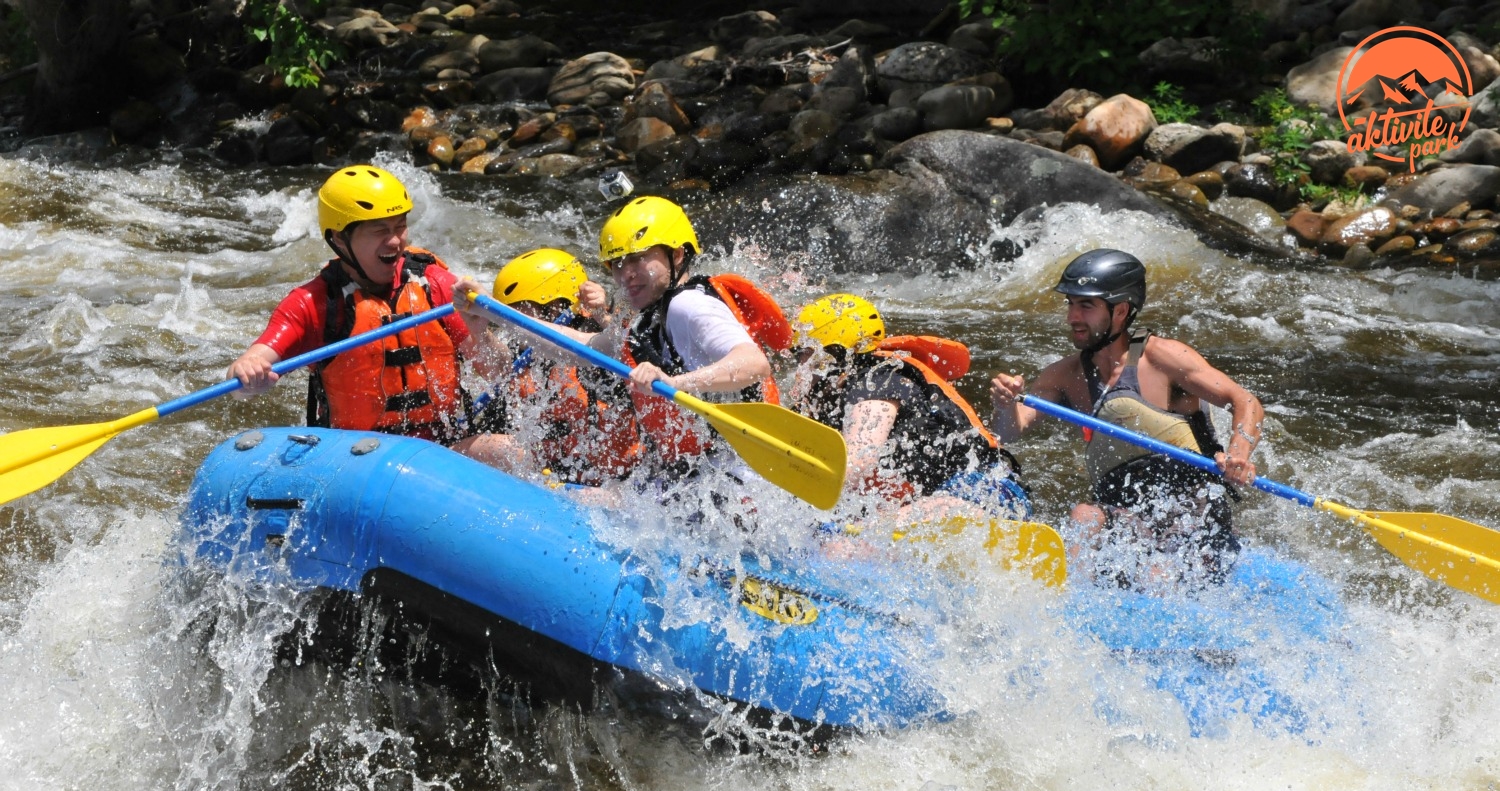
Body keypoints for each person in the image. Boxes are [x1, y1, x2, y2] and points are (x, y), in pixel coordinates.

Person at [457, 196, 787, 482]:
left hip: (736, 471)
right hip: (694, 472)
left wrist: (677, 381)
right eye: (617, 263)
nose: (624, 273)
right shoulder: (647, 317)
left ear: (676, 255)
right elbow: (580, 348)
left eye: (637, 258)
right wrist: (495, 313)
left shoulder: (688, 305)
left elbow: (754, 363)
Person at [989, 248, 1264, 580]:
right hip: (1124, 510)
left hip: (1191, 507)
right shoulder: (1064, 375)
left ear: (1120, 310)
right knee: (1083, 516)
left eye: (1086, 306)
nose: (1072, 317)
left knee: (1157, 572)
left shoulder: (1162, 357)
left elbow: (1244, 401)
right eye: (1071, 304)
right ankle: (1072, 606)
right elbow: (1009, 431)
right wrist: (1005, 404)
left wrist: (1238, 454)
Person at [228, 164, 510, 466]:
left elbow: (503, 374)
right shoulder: (312, 304)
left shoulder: (434, 284)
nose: (394, 242)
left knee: (506, 451)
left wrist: (481, 332)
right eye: (379, 230)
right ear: (339, 238)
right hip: (357, 461)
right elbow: (244, 376)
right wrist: (247, 374)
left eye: (399, 226)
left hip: (441, 452)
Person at [791, 293, 1029, 518]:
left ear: (833, 354)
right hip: (943, 496)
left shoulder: (876, 381)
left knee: (841, 545)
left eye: (803, 353)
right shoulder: (834, 393)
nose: (799, 364)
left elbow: (857, 463)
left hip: (985, 493)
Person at [473, 248, 642, 485]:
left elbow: (627, 343)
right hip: (557, 472)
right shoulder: (526, 356)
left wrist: (602, 315)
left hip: (615, 481)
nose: (511, 319)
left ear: (554, 306)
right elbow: (498, 376)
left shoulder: (598, 347)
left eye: (520, 308)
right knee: (486, 445)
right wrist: (478, 328)